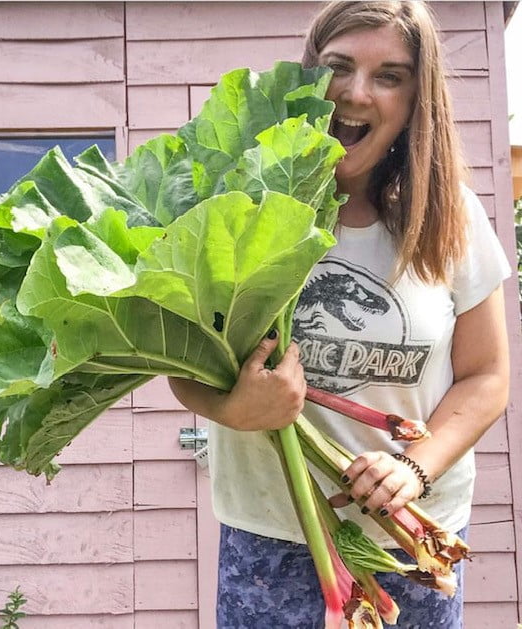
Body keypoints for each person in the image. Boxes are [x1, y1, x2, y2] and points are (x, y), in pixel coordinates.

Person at [169, 1, 511, 627]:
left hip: (408, 537)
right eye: (339, 67)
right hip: (269, 539)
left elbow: (486, 376)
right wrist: (231, 409)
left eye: (390, 76)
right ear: (309, 76)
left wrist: (414, 465)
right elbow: (183, 361)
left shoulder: (451, 216)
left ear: (416, 98)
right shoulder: (240, 207)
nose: (356, 93)